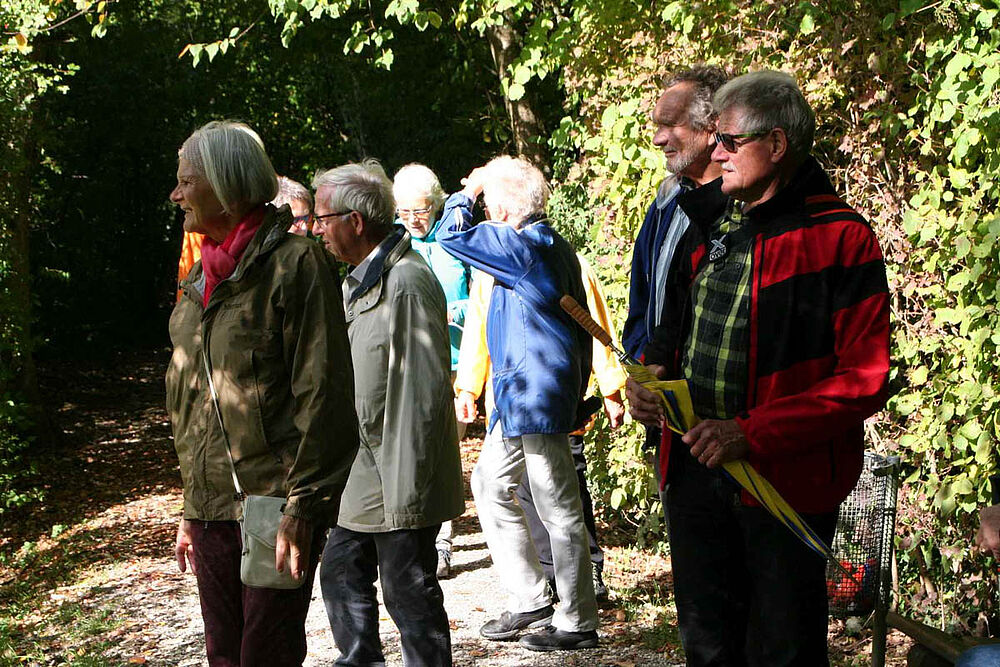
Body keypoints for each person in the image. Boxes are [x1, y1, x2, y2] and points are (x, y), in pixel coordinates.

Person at [626, 71, 890, 665]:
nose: (715, 153)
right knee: (708, 646)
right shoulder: (712, 220)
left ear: (775, 145)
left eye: (729, 141)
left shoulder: (842, 237)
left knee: (783, 651)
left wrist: (751, 432)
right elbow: (672, 327)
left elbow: (865, 378)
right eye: (714, 138)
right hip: (695, 473)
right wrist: (649, 377)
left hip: (783, 485)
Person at [166, 120, 359, 667]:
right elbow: (194, 402)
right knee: (224, 655)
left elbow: (324, 397)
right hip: (211, 510)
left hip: (274, 506)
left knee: (265, 655)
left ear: (226, 187)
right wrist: (191, 506)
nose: (176, 195)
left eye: (187, 181)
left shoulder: (296, 266)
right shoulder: (198, 279)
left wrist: (303, 508)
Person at [438, 155, 599, 651]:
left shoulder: (522, 246)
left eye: (488, 205)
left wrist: (469, 190)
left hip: (536, 397)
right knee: (489, 483)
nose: (484, 211)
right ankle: (531, 597)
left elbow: (450, 236)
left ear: (504, 211)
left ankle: (577, 621)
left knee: (557, 507)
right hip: (521, 396)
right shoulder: (546, 244)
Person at [312, 160, 464, 667]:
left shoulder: (406, 282)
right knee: (340, 574)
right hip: (361, 470)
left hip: (396, 478)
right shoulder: (359, 281)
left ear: (355, 222)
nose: (317, 230)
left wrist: (408, 499)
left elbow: (421, 400)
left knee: (408, 593)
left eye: (323, 218)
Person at [454, 255, 626, 601]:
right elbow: (478, 332)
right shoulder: (488, 272)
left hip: (559, 408)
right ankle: (550, 579)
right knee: (523, 493)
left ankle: (588, 574)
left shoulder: (567, 261)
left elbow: (593, 324)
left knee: (566, 493)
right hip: (509, 410)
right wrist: (468, 389)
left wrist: (611, 389)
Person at [392, 162, 471, 580]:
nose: (412, 219)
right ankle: (422, 536)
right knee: (417, 447)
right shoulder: (392, 242)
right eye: (403, 211)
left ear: (437, 204)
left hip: (456, 362)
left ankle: (442, 540)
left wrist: (455, 310)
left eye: (420, 210)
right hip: (410, 362)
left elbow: (483, 296)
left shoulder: (456, 238)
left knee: (447, 448)